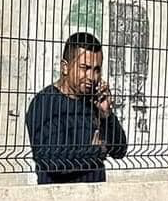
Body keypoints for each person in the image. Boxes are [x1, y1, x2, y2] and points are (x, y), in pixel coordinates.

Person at [25, 32, 127, 184]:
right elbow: (51, 162)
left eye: (97, 69)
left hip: (95, 200)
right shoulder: (45, 103)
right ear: (65, 67)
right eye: (84, 68)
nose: (92, 77)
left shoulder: (94, 102)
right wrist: (95, 152)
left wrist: (106, 115)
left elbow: (119, 150)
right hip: (59, 200)